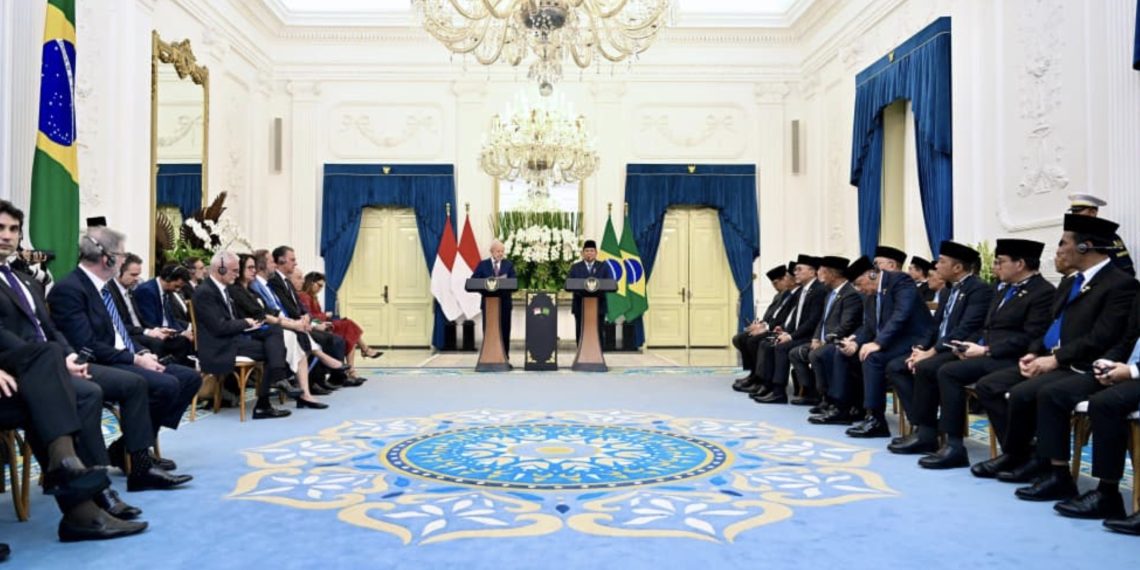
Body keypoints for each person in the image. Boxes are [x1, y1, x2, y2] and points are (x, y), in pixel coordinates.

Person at [0, 200, 148, 541]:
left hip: (41, 370)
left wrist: (66, 357)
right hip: (17, 371)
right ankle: (79, 485)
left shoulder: (25, 279)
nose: (8, 236)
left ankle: (83, 497)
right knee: (71, 393)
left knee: (86, 392)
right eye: (1, 228)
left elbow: (52, 329)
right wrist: (50, 357)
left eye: (13, 229)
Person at [974, 215, 1138, 488]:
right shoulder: (1070, 282)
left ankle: (1057, 474)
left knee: (1044, 393)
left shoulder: (1119, 284)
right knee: (997, 386)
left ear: (1084, 247)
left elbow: (1102, 337)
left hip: (1087, 364)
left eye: (1063, 243)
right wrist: (1035, 352)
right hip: (1056, 360)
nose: (1058, 249)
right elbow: (1052, 325)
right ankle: (1021, 456)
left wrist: (1055, 359)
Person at [48, 227, 199, 491]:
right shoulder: (69, 289)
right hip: (97, 364)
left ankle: (124, 447)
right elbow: (88, 345)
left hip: (122, 357)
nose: (121, 260)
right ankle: (140, 465)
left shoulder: (106, 289)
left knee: (188, 378)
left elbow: (122, 330)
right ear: (106, 258)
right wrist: (135, 359)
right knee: (163, 385)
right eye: (120, 255)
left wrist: (141, 351)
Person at [923, 239, 1054, 470]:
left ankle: (1016, 450)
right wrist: (969, 346)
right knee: (948, 370)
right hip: (989, 353)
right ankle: (954, 445)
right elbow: (987, 327)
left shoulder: (1042, 292)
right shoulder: (1001, 288)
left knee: (963, 377)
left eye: (1001, 262)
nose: (996, 267)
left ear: (1020, 263)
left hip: (1015, 357)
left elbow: (1031, 336)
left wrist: (986, 349)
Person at [887, 241, 993, 456]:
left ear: (957, 267)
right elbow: (934, 327)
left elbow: (965, 329)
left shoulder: (978, 289)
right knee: (897, 366)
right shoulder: (948, 291)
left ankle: (931, 435)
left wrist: (930, 352)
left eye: (942, 262)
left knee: (928, 367)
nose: (936, 266)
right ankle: (922, 424)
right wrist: (919, 348)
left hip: (959, 349)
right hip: (939, 348)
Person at [835, 254, 933, 438]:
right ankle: (852, 408)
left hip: (915, 340)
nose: (858, 289)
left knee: (873, 358)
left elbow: (901, 315)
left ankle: (881, 419)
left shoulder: (900, 280)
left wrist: (878, 343)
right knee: (851, 355)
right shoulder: (871, 295)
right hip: (894, 340)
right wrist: (855, 342)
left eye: (858, 283)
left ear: (870, 275)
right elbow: (870, 326)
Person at [193, 251, 291, 419]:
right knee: (274, 350)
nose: (237, 275)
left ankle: (275, 382)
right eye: (234, 271)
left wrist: (249, 324)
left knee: (274, 333)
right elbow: (219, 327)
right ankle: (270, 392)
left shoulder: (225, 289)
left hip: (233, 340)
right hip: (218, 347)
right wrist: (246, 323)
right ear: (221, 270)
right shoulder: (205, 292)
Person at [229, 254, 327, 409]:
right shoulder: (235, 290)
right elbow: (259, 314)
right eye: (249, 267)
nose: (254, 270)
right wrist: (292, 324)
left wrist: (293, 323)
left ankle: (300, 390)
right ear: (240, 269)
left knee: (290, 339)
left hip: (264, 331)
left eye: (254, 267)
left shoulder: (251, 291)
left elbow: (270, 311)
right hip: (248, 335)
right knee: (286, 339)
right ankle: (285, 381)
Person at [253, 250, 358, 388]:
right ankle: (314, 381)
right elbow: (279, 309)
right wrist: (302, 322)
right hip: (281, 325)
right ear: (281, 260)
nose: (295, 262)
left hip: (291, 322)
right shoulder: (271, 282)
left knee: (331, 336)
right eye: (292, 259)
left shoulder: (283, 283)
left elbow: (300, 308)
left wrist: (307, 318)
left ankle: (320, 380)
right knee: (322, 338)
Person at [753, 255, 827, 404]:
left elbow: (813, 321)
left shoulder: (818, 290)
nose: (795, 273)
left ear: (813, 272)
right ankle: (766, 384)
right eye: (795, 270)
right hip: (799, 334)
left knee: (780, 346)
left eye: (799, 269)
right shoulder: (804, 290)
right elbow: (796, 317)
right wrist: (786, 331)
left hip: (811, 336)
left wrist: (791, 337)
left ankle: (779, 391)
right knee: (768, 342)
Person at [789, 256, 862, 407]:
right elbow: (822, 320)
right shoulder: (830, 293)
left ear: (832, 274)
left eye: (822, 272)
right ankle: (817, 395)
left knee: (818, 354)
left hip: (838, 341)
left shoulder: (850, 294)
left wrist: (825, 341)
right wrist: (816, 338)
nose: (819, 276)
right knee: (796, 352)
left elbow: (846, 324)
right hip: (823, 340)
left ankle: (830, 399)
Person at [108, 253, 194, 366]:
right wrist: (149, 331)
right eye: (133, 275)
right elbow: (119, 324)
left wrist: (159, 331)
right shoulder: (110, 292)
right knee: (158, 343)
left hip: (140, 330)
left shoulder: (128, 290)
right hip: (128, 334)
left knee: (181, 341)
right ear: (118, 272)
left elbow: (143, 320)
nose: (137, 279)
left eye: (138, 275)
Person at [732, 264, 795, 391]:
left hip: (781, 331)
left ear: (785, 279)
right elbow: (770, 316)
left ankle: (761, 378)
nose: (775, 286)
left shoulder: (794, 295)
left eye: (777, 283)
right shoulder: (779, 295)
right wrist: (759, 324)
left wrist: (765, 327)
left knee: (754, 341)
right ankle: (754, 373)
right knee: (740, 338)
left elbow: (784, 319)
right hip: (771, 328)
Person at [298, 271, 382, 366]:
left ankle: (360, 357)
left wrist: (323, 316)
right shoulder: (304, 296)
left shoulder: (312, 297)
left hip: (321, 323)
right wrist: (325, 315)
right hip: (318, 325)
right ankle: (363, 352)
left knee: (350, 331)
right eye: (319, 285)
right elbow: (310, 316)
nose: (320, 289)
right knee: (349, 327)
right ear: (311, 283)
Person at [471, 240, 518, 359]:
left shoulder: (509, 265)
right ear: (491, 251)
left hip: (504, 305)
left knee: (505, 331)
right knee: (489, 331)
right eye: (498, 251)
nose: (501, 254)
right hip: (488, 305)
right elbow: (473, 281)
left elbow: (514, 283)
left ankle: (505, 358)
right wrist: (486, 286)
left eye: (502, 251)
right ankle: (488, 357)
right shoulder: (483, 265)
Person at [1067, 193, 1134, 276]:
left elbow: (1125, 269)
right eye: (1073, 211)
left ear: (1093, 212)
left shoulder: (1108, 236)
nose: (1074, 215)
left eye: (1078, 211)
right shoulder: (1072, 236)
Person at [568, 240, 614, 344]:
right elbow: (569, 284)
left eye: (592, 251)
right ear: (582, 253)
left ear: (596, 253)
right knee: (581, 331)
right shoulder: (575, 267)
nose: (589, 253)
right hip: (580, 305)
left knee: (598, 331)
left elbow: (610, 283)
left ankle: (598, 355)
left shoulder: (603, 266)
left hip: (599, 305)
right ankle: (580, 353)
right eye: (587, 251)